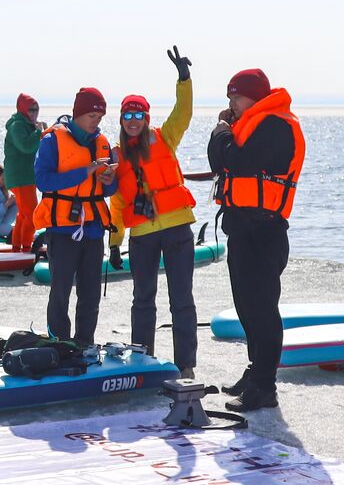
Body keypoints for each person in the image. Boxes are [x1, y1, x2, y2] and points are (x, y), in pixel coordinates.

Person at [208, 66, 305, 411]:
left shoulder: (276, 125)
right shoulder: (248, 126)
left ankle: (265, 387)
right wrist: (225, 134)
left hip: (265, 231)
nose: (232, 103)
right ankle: (255, 371)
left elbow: (238, 161)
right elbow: (223, 163)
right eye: (230, 98)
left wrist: (220, 132)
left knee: (263, 309)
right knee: (246, 306)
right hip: (244, 228)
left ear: (255, 97)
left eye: (237, 97)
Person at [110, 46, 198, 378]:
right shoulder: (117, 156)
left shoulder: (165, 137)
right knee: (143, 300)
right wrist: (115, 243)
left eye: (138, 116)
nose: (133, 122)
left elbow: (183, 113)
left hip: (177, 230)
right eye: (127, 116)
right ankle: (142, 361)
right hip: (143, 236)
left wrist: (184, 79)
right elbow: (117, 203)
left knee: (182, 301)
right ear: (121, 120)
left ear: (146, 119)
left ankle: (185, 365)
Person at [34, 87, 116, 343]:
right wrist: (85, 172)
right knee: (60, 292)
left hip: (93, 229)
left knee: (91, 293)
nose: (97, 121)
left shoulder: (103, 143)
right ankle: (59, 344)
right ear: (78, 114)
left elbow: (110, 189)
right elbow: (43, 181)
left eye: (100, 116)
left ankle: (84, 344)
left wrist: (109, 179)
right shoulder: (51, 141)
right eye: (93, 115)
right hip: (62, 230)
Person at [3, 94, 45, 251]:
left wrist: (40, 132)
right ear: (23, 110)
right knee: (32, 214)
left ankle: (17, 247)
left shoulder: (26, 124)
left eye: (36, 110)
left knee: (23, 214)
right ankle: (26, 247)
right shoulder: (17, 126)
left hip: (23, 176)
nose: (34, 113)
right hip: (20, 177)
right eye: (31, 110)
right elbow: (26, 146)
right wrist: (38, 132)